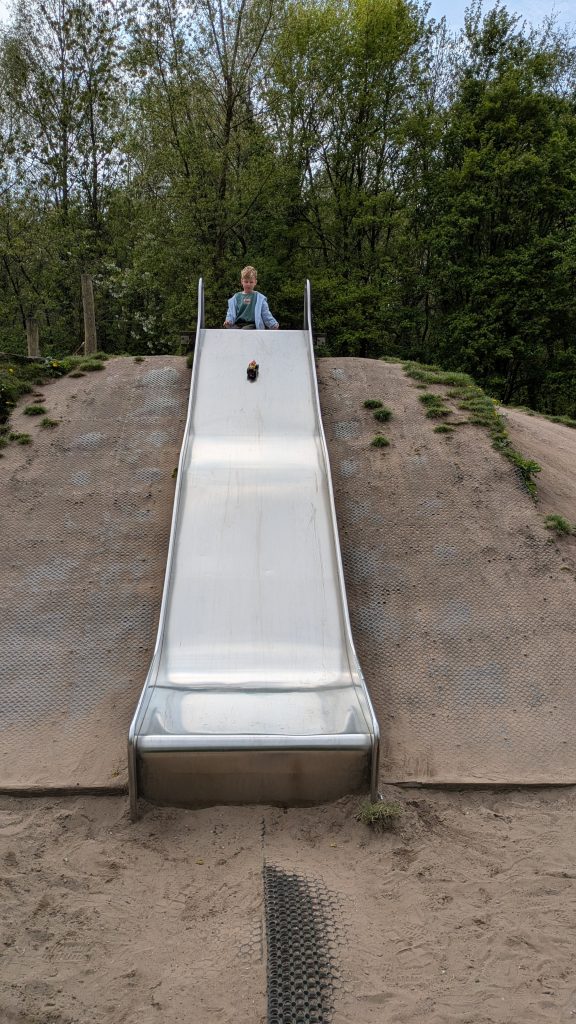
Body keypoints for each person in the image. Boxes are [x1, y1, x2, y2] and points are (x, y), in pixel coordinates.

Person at [223, 266, 279, 330]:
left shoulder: (260, 298)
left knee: (244, 330)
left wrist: (273, 324)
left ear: (255, 282)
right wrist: (228, 321)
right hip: (238, 325)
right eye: (246, 282)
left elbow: (266, 314)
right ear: (242, 281)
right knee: (232, 330)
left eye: (251, 282)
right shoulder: (236, 297)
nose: (248, 284)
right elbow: (230, 313)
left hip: (252, 325)